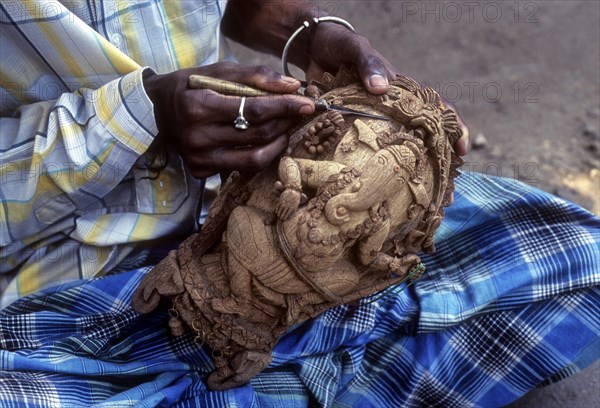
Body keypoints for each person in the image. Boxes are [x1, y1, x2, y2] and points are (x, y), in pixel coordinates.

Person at [0, 1, 597, 407]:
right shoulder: (274, 213)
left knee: (579, 260)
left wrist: (307, 29)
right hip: (59, 267)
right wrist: (139, 114)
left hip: (225, 214)